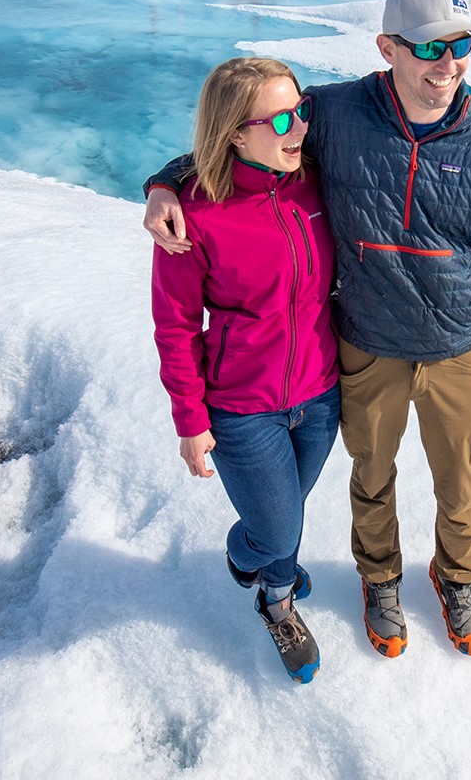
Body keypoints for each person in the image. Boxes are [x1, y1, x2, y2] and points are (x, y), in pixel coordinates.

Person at [146, 0, 471, 659]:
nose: (448, 65)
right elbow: (243, 131)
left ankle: (456, 576)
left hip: (452, 349)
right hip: (363, 349)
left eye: (461, 46)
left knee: (460, 481)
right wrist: (166, 183)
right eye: (430, 49)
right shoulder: (337, 115)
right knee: (371, 478)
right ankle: (378, 580)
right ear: (388, 48)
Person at [150, 57, 342, 684]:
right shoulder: (193, 217)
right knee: (280, 525)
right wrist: (190, 420)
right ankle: (273, 593)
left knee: (286, 511)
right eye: (283, 117)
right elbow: (177, 326)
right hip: (241, 407)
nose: (300, 128)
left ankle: (264, 551)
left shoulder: (315, 180)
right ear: (235, 131)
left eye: (302, 110)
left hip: (320, 393)